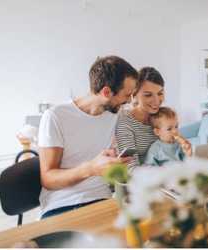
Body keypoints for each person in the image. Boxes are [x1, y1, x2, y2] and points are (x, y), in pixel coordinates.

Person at [38, 56, 138, 218]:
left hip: (102, 200)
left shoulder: (113, 114)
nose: (129, 101)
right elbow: (48, 179)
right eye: (127, 95)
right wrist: (91, 169)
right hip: (62, 204)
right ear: (106, 92)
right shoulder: (55, 116)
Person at [115, 67, 165, 171]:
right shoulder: (125, 123)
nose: (156, 101)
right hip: (140, 183)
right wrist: (164, 172)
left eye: (160, 93)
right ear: (134, 95)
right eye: (148, 95)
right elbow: (130, 169)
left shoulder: (162, 117)